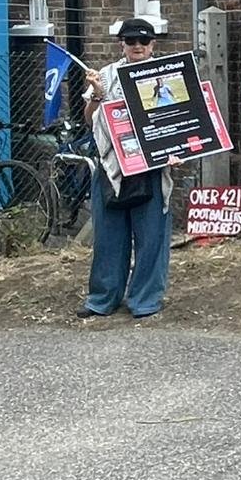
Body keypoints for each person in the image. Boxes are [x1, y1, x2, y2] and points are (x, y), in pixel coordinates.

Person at [80, 17, 173, 319]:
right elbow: (89, 119)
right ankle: (102, 298)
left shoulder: (168, 73)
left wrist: (179, 150)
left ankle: (145, 300)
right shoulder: (106, 74)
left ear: (152, 44)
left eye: (143, 41)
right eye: (131, 41)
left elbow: (179, 117)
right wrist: (97, 93)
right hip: (112, 167)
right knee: (109, 236)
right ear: (122, 44)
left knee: (152, 238)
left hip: (153, 167)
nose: (137, 46)